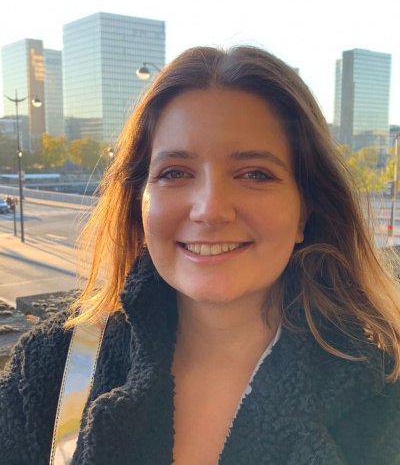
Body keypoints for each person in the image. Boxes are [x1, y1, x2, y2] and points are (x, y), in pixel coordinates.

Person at [1, 45, 400, 465]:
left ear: (306, 210)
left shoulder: (382, 394)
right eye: (175, 172)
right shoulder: (52, 369)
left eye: (255, 174)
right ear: (138, 203)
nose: (210, 209)